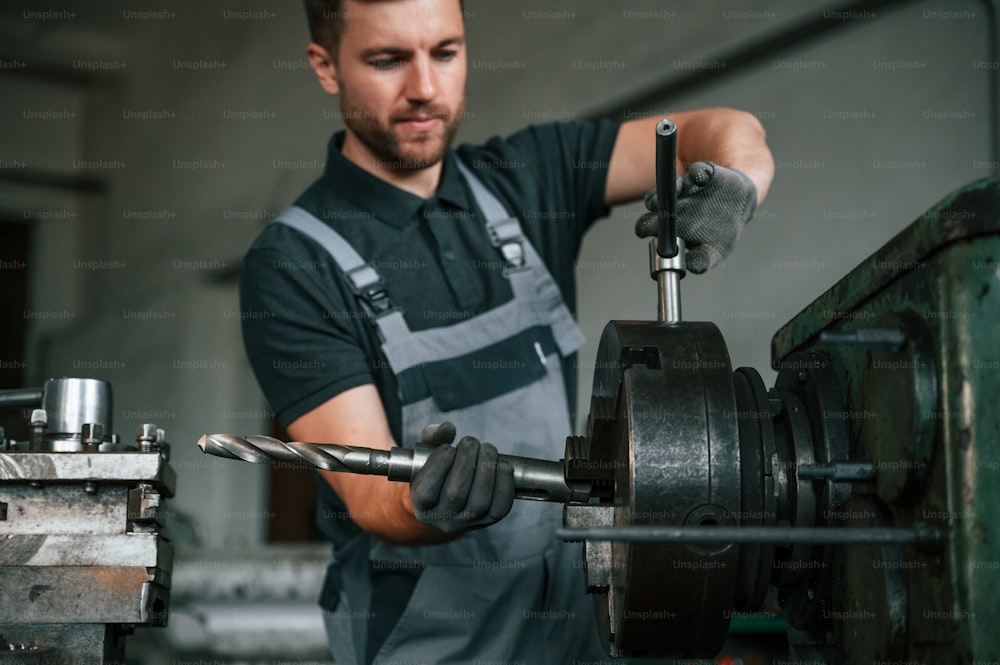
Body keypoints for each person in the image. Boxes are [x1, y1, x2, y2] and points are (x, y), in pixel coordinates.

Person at [239, 0, 775, 662]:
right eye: (387, 60)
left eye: (445, 52)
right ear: (326, 67)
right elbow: (372, 494)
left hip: (583, 617)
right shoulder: (294, 262)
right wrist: (431, 507)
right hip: (434, 639)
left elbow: (723, 128)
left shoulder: (529, 177)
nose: (425, 89)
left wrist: (733, 186)